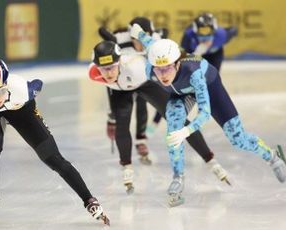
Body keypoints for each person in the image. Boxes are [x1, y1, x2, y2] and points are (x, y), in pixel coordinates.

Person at [130, 24, 286, 205]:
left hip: (208, 86)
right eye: (158, 69)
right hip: (181, 93)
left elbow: (205, 112)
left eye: (167, 68)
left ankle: (272, 156)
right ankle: (178, 177)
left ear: (177, 63)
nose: (163, 74)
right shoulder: (152, 67)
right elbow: (151, 43)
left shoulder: (194, 73)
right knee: (173, 127)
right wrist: (139, 33)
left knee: (237, 138)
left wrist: (187, 131)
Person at [0, 57, 109, 226]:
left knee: (52, 158)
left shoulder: (21, 89)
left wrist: (27, 91)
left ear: (7, 83)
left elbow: (38, 84)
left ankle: (89, 200)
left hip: (21, 110)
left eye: (0, 91)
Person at [89, 40, 229, 197]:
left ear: (119, 61)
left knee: (178, 120)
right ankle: (126, 167)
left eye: (112, 67)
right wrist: (111, 118)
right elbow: (109, 91)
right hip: (120, 90)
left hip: (144, 83)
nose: (108, 73)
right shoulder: (94, 74)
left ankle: (210, 159)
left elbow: (161, 63)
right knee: (122, 123)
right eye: (103, 69)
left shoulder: (138, 67)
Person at [147, 13, 238, 136]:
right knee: (171, 84)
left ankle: (196, 93)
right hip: (193, 56)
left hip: (214, 57)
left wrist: (234, 31)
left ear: (214, 31)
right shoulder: (189, 37)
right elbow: (182, 58)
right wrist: (196, 52)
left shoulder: (221, 35)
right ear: (195, 31)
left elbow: (232, 31)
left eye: (208, 31)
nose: (205, 37)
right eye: (201, 31)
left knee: (208, 83)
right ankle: (155, 121)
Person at [98, 16, 168, 163]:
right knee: (118, 105)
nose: (139, 43)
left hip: (141, 77)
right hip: (121, 77)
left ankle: (140, 139)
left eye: (142, 38)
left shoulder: (156, 39)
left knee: (142, 103)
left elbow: (165, 32)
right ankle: (112, 117)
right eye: (135, 39)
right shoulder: (120, 40)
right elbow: (102, 32)